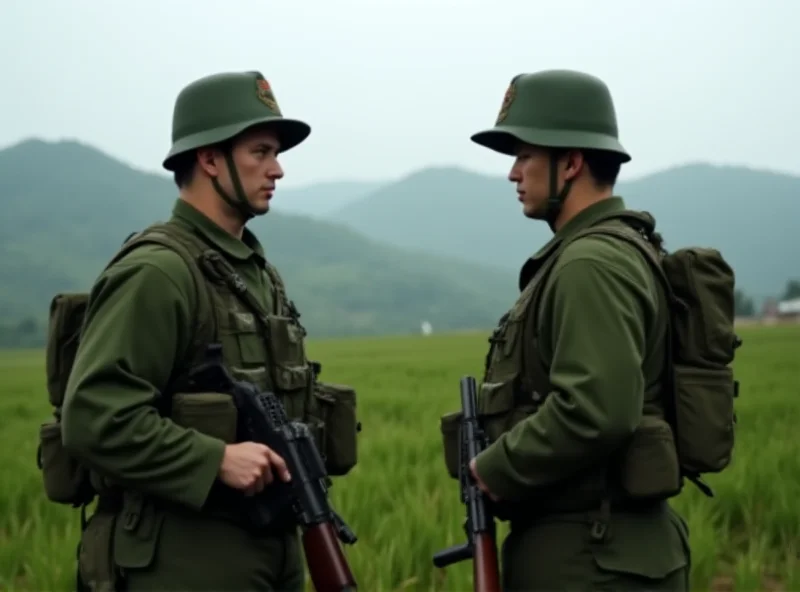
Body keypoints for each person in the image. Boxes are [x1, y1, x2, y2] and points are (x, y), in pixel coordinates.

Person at [59, 70, 359, 591]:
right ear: (210, 158)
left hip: (271, 547)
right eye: (260, 152)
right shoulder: (159, 272)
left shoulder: (256, 274)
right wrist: (214, 458)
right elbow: (94, 417)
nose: (278, 169)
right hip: (185, 556)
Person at [462, 69, 692, 590]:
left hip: (590, 557)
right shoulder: (612, 251)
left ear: (569, 162)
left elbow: (597, 408)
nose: (513, 173)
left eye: (524, 155)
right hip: (606, 549)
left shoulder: (590, 263)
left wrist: (493, 468)